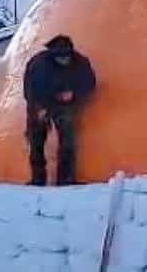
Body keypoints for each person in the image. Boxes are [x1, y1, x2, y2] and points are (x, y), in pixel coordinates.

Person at [22, 35, 96, 186]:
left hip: (64, 106)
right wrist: (39, 109)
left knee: (68, 139)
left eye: (67, 56)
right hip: (40, 103)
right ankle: (38, 179)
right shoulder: (38, 66)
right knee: (36, 141)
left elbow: (89, 83)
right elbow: (30, 90)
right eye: (60, 57)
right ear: (52, 55)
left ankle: (65, 179)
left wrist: (74, 94)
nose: (65, 60)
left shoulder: (80, 63)